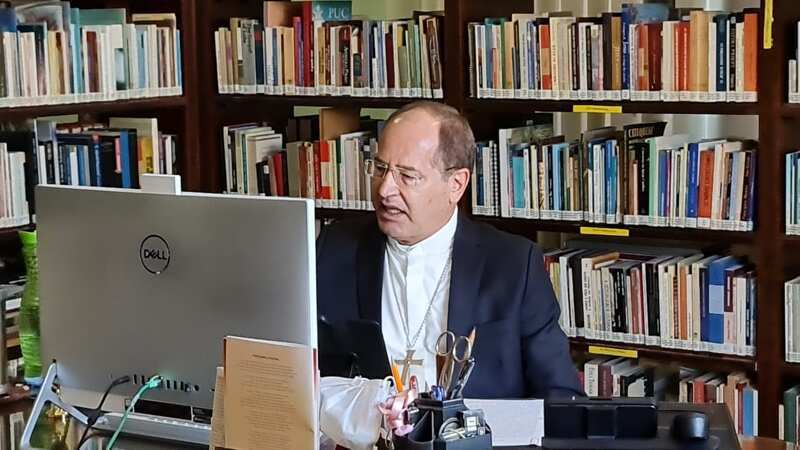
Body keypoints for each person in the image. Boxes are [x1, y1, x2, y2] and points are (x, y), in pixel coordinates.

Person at [316, 101, 582, 399]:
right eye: (380, 168)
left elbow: (560, 395)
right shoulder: (334, 248)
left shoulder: (515, 265)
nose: (384, 189)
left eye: (407, 176)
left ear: (456, 184)